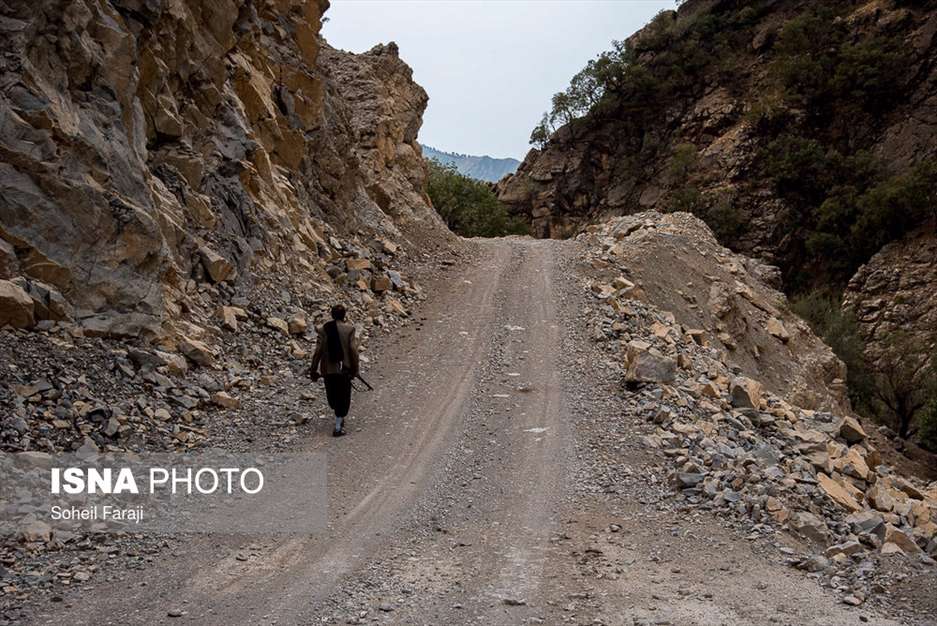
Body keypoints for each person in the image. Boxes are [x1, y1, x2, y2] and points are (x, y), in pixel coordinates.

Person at [309, 304, 360, 437]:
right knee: (343, 398)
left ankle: (338, 424)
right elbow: (353, 351)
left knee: (332, 398)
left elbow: (317, 352)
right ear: (344, 316)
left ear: (332, 315)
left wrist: (313, 369)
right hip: (344, 370)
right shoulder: (349, 329)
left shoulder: (323, 329)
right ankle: (338, 424)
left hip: (328, 370)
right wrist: (355, 369)